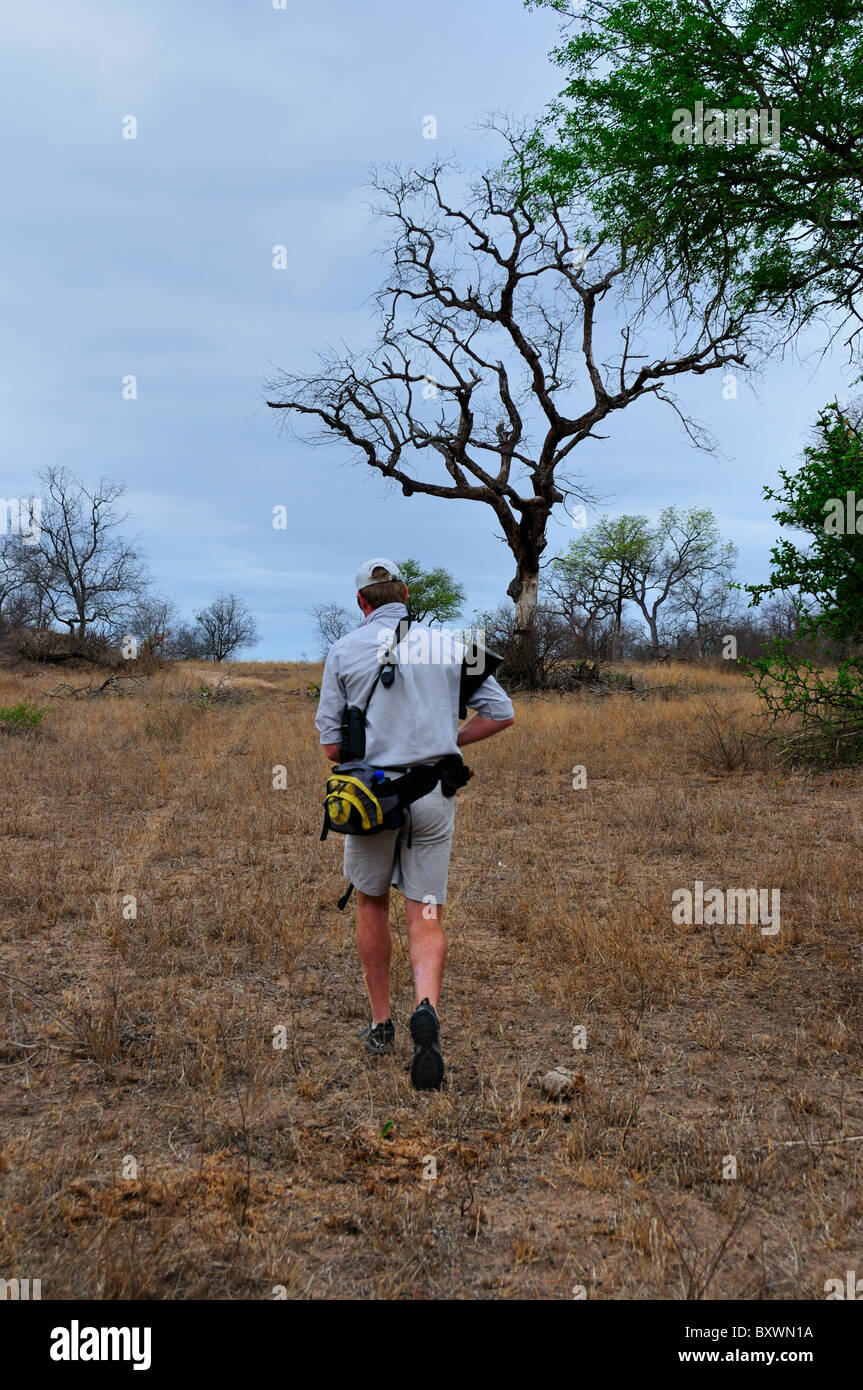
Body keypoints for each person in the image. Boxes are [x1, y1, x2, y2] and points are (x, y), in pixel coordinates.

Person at [315, 558, 515, 1089]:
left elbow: (333, 747)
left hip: (371, 802)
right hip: (433, 797)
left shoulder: (343, 651)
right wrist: (448, 743)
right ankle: (425, 1007)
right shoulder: (456, 645)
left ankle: (381, 1024)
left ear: (362, 603)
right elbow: (501, 712)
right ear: (406, 593)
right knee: (426, 916)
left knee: (370, 902)